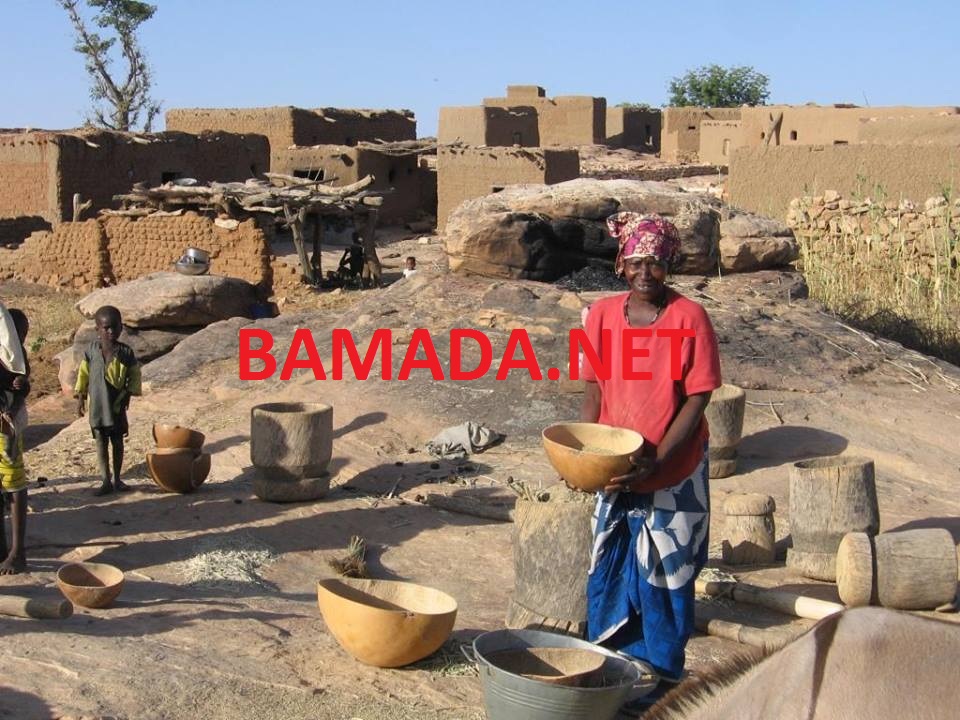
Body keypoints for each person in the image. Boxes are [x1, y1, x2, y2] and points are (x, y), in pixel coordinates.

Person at [578, 212, 721, 684]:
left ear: (669, 265)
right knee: (612, 569)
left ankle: (658, 684)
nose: (645, 272)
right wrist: (584, 453)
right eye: (636, 261)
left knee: (665, 579)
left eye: (656, 262)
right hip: (617, 471)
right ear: (621, 264)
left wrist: (658, 459)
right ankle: (613, 679)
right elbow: (594, 388)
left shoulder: (689, 318)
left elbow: (698, 396)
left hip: (671, 472)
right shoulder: (600, 316)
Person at [74, 305, 142, 496]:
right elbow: (83, 374)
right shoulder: (92, 351)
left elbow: (134, 375)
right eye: (106, 328)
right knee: (100, 443)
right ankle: (105, 479)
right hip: (97, 406)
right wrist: (80, 398)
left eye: (115, 327)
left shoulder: (125, 353)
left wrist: (129, 393)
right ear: (98, 329)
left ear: (121, 327)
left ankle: (118, 479)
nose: (111, 331)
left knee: (118, 441)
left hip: (116, 404)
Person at [0, 304, 30, 574]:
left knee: (12, 485)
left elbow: (20, 383)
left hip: (4, 427)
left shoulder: (9, 354)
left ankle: (18, 552)